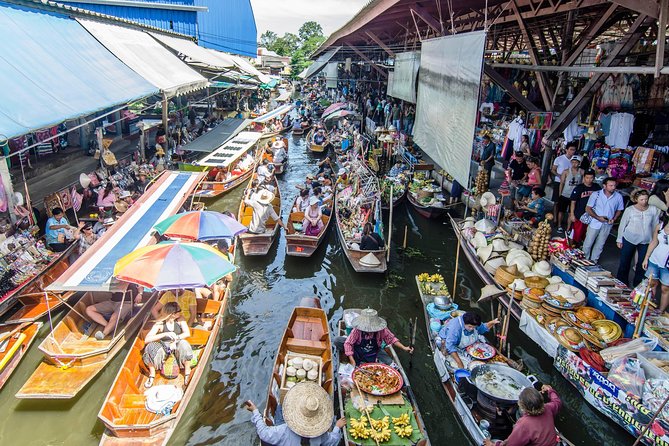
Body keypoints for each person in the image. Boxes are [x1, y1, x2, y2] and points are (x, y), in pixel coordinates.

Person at [245, 382, 345, 446]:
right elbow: (334, 440)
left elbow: (263, 433)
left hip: (283, 436)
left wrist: (255, 411)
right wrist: (337, 427)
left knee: (280, 407)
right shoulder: (321, 436)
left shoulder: (284, 431)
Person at [484, 385, 561, 446]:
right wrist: (550, 390)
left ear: (522, 406)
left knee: (497, 440)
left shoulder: (524, 424)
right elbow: (557, 402)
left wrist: (493, 445)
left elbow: (511, 444)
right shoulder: (548, 408)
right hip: (554, 443)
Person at [142, 302, 193, 388]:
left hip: (177, 345)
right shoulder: (160, 324)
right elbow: (147, 339)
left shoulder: (180, 320)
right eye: (179, 311)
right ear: (172, 314)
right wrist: (164, 334)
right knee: (150, 347)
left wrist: (176, 338)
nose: (180, 312)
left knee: (184, 344)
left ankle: (187, 371)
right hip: (164, 347)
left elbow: (187, 333)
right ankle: (152, 374)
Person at [617, 189, 661, 286]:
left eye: (646, 199)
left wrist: (655, 239)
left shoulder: (653, 209)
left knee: (642, 263)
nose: (644, 201)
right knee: (625, 261)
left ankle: (638, 283)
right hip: (629, 238)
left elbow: (655, 225)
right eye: (641, 199)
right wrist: (619, 239)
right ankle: (622, 282)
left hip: (646, 240)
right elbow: (622, 224)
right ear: (636, 199)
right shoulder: (630, 210)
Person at [339, 308, 413, 366]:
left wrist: (404, 348)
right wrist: (352, 360)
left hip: (375, 351)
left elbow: (392, 339)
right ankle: (352, 358)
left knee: (389, 362)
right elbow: (348, 343)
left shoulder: (382, 329)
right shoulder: (357, 330)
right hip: (358, 349)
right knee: (338, 341)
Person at [582, 177, 624, 262]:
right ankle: (583, 260)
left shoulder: (618, 197)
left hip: (607, 224)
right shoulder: (596, 194)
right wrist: (598, 218)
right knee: (588, 243)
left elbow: (619, 210)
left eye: (614, 185)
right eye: (611, 185)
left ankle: (594, 261)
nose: (613, 187)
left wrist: (614, 218)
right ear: (604, 186)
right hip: (594, 222)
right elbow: (588, 208)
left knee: (600, 244)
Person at [569, 169, 601, 245]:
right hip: (579, 215)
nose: (589, 180)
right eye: (587, 178)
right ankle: (570, 248)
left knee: (587, 235)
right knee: (575, 234)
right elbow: (573, 202)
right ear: (584, 177)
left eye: (591, 178)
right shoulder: (579, 188)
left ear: (594, 178)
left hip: (592, 215)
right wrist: (572, 214)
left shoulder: (597, 187)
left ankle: (581, 249)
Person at [551, 143, 577, 221]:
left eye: (574, 150)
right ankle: (555, 218)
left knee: (567, 202)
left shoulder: (575, 160)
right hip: (558, 182)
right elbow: (553, 169)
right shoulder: (559, 159)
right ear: (566, 150)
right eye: (571, 149)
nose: (573, 151)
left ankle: (561, 219)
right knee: (556, 201)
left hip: (570, 184)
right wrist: (560, 176)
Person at [557, 155, 583, 231]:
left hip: (575, 196)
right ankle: (559, 225)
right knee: (561, 211)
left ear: (579, 163)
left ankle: (568, 228)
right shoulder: (566, 171)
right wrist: (560, 194)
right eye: (573, 162)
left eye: (576, 162)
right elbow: (561, 183)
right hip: (565, 194)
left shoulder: (581, 172)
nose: (574, 164)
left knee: (571, 213)